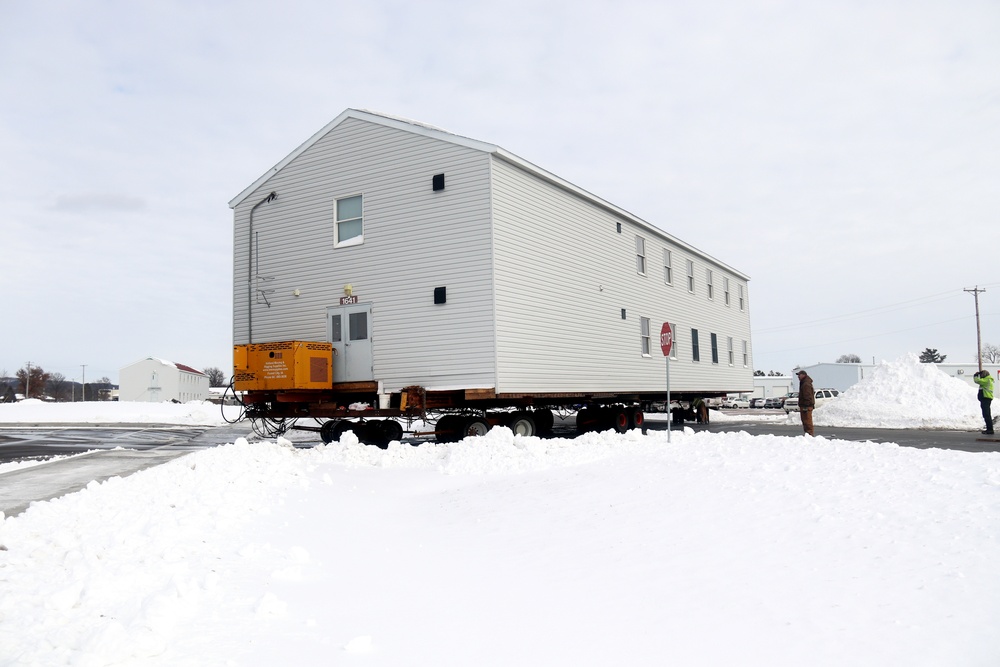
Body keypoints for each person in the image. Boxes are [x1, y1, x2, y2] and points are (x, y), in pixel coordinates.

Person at [972, 370, 994, 435]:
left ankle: (990, 429)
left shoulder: (987, 380)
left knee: (986, 414)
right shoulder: (987, 380)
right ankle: (989, 429)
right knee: (986, 414)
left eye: (981, 375)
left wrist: (975, 376)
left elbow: (977, 381)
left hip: (986, 398)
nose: (980, 376)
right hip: (985, 398)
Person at [796, 370, 815, 436]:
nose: (798, 377)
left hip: (806, 406)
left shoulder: (806, 384)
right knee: (805, 421)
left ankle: (810, 435)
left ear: (803, 375)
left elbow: (807, 395)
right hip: (805, 405)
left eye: (799, 375)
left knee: (807, 422)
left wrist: (806, 406)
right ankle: (808, 434)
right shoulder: (804, 382)